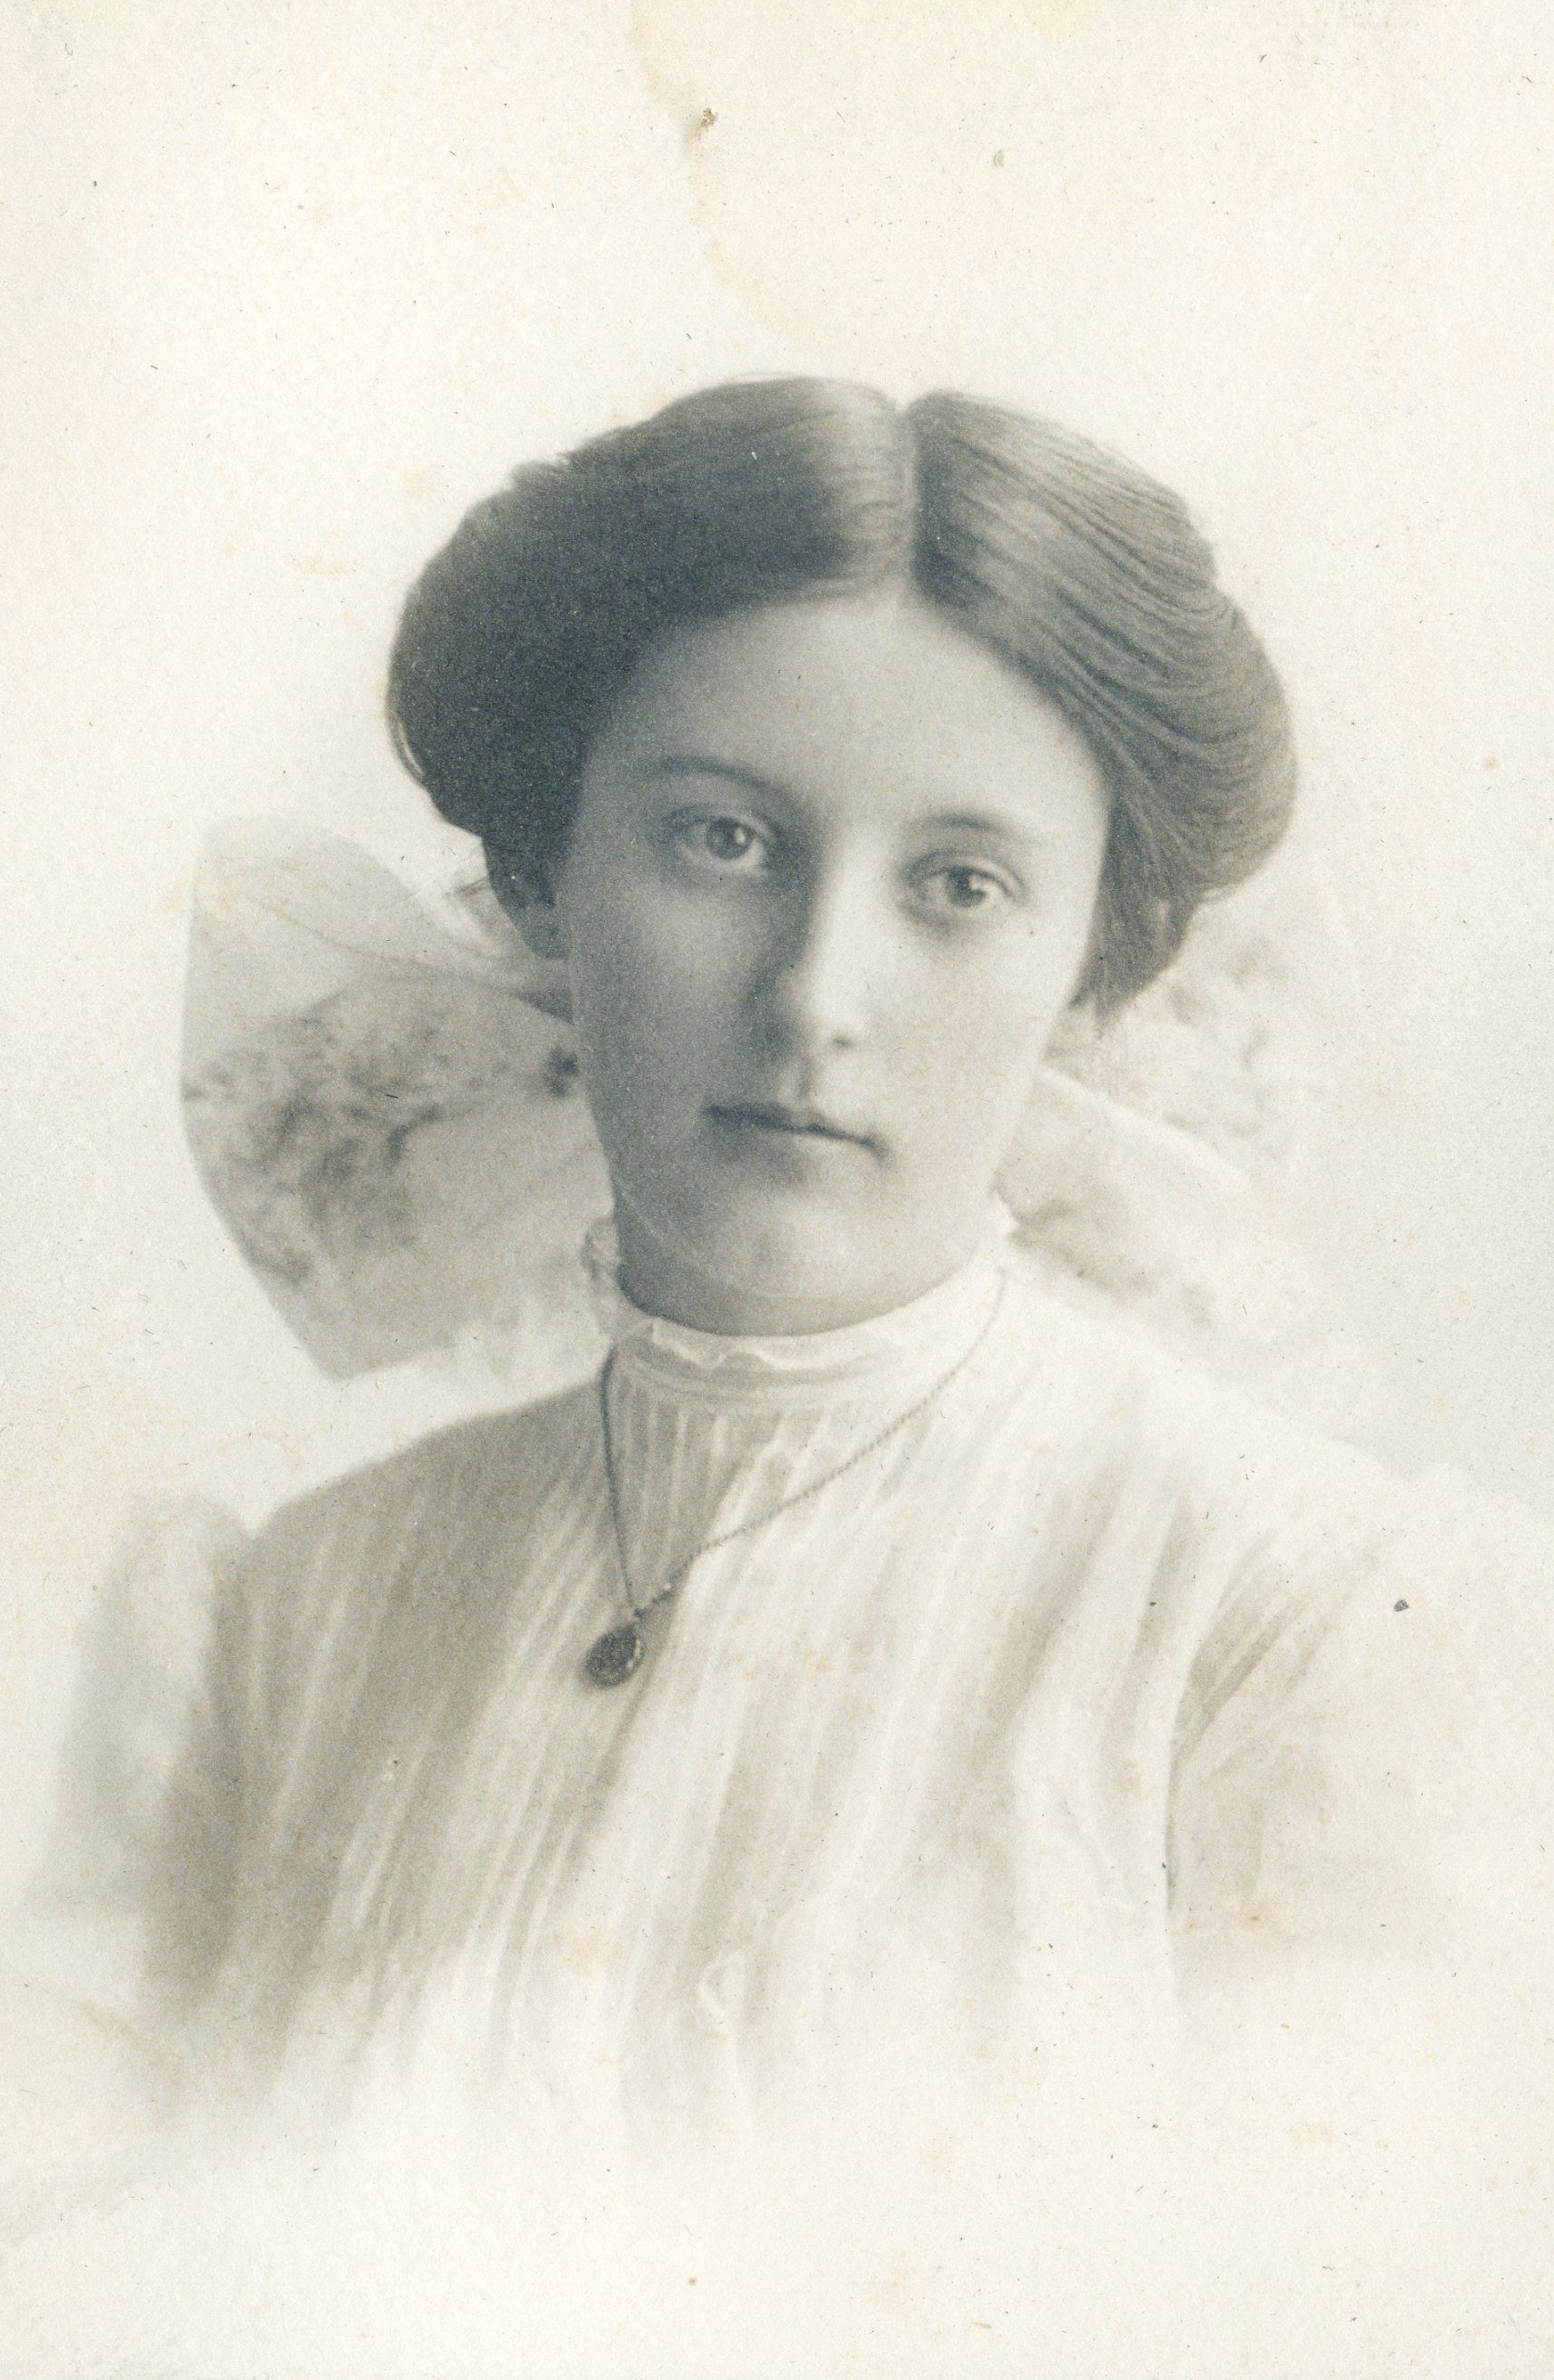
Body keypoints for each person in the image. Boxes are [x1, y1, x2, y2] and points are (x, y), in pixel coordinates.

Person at [116, 378, 1549, 2239]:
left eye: (957, 884)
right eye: (720, 840)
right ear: (543, 875)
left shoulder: (1296, 1623)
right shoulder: (301, 1612)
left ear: (1093, 964)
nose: (813, 995)